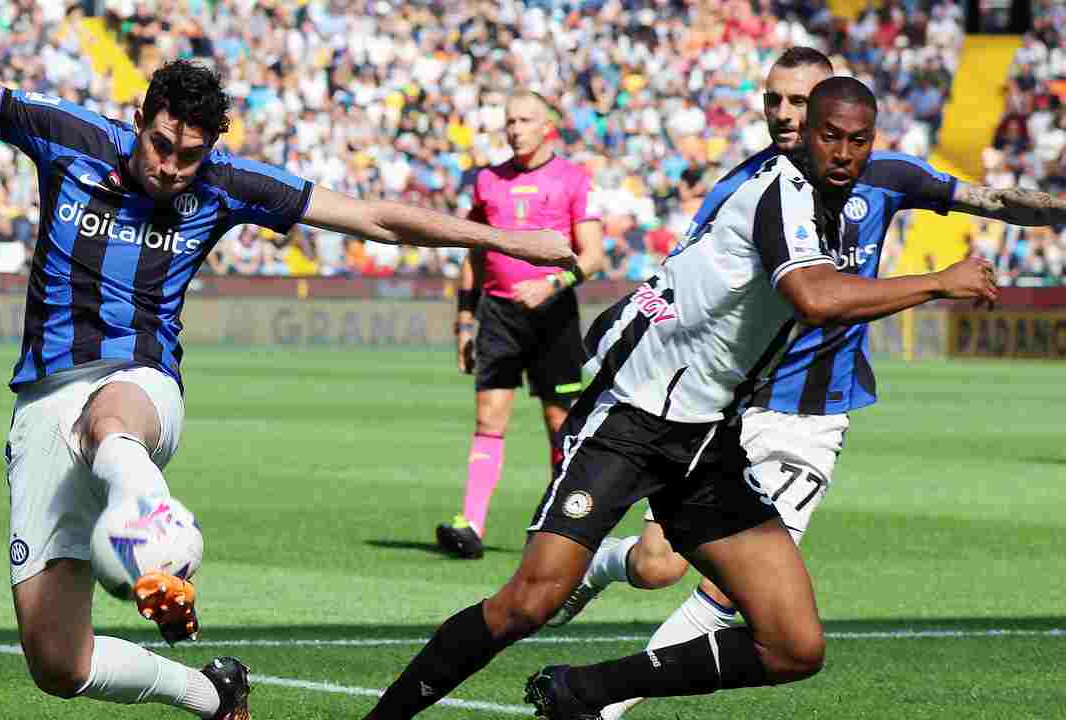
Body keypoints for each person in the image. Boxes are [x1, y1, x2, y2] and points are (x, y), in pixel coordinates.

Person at [0, 3, 573, 719]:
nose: (171, 168)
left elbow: (373, 217)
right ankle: (213, 693)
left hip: (138, 385)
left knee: (105, 421)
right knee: (58, 662)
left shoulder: (226, 184)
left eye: (189, 155)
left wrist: (510, 241)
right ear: (141, 118)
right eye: (160, 145)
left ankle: (157, 534)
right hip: (42, 402)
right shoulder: (68, 137)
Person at [361, 76, 999, 720]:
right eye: (828, 136)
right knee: (528, 603)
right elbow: (816, 298)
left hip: (705, 435)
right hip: (631, 415)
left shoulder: (836, 208)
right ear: (806, 136)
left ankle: (582, 691)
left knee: (794, 646)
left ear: (871, 145)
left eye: (856, 142)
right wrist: (939, 282)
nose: (841, 153)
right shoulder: (780, 190)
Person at [548, 48, 1066, 720]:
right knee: (656, 566)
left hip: (811, 418)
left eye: (801, 102)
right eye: (776, 101)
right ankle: (599, 570)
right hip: (728, 409)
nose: (786, 115)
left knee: (734, 596)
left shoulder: (887, 176)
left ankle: (604, 705)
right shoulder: (745, 186)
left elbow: (992, 199)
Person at [437, 91, 605, 559]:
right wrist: (464, 321)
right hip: (497, 314)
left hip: (554, 316)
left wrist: (553, 284)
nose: (515, 129)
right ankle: (470, 524)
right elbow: (473, 252)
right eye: (509, 121)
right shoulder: (487, 180)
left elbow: (592, 256)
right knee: (489, 416)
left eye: (525, 120)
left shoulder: (573, 177)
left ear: (546, 125)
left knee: (560, 423)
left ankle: (564, 528)